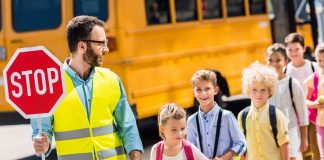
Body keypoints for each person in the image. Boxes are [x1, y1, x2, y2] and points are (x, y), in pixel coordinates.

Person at [31, 15, 143, 160]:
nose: (107, 49)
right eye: (101, 43)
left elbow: (128, 126)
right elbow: (41, 132)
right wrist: (42, 145)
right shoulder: (50, 85)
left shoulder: (112, 80)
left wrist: (136, 154)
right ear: (82, 46)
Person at [187, 70, 246, 160]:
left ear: (215, 90)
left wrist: (223, 158)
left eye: (207, 88)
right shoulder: (191, 121)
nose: (203, 93)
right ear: (193, 93)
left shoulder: (227, 116)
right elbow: (190, 150)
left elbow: (241, 143)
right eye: (198, 89)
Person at [238, 62, 290, 160]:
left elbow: (284, 144)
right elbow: (243, 147)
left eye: (263, 90)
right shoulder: (242, 116)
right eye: (254, 89)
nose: (258, 94)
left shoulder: (276, 115)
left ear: (269, 91)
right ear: (248, 91)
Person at [266, 43, 309, 160]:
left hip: (290, 133)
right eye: (270, 60)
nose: (274, 64)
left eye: (278, 60)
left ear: (285, 61)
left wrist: (304, 138)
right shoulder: (263, 85)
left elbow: (303, 113)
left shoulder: (292, 83)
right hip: (269, 135)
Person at [285, 33, 320, 160]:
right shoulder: (286, 71)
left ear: (304, 49)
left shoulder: (313, 66)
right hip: (296, 117)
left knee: (317, 149)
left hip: (314, 115)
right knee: (303, 151)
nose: (294, 53)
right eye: (290, 50)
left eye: (297, 49)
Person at [304, 43, 324, 159]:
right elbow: (305, 100)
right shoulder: (314, 78)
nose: (322, 64)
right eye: (319, 60)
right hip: (321, 122)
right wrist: (314, 104)